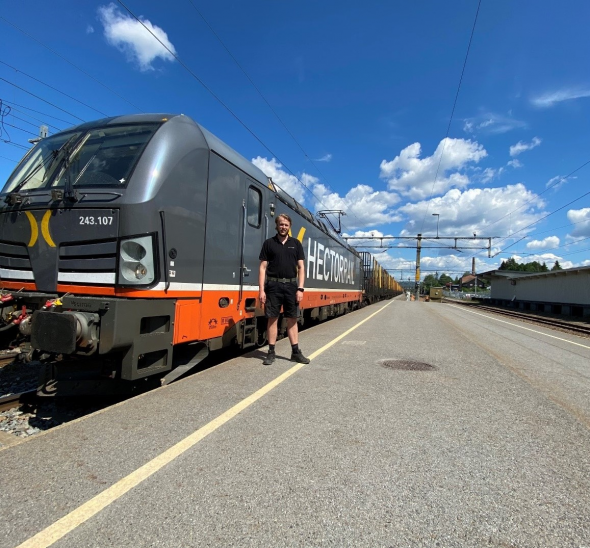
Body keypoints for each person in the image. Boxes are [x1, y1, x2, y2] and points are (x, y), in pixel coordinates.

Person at [258, 213, 310, 365]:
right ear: (277, 225)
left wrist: (300, 289)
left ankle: (295, 352)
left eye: (286, 225)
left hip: (291, 286)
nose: (283, 227)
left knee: (292, 319)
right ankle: (271, 352)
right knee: (272, 319)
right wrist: (261, 290)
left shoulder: (296, 244)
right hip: (273, 286)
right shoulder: (269, 243)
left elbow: (301, 267)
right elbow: (262, 268)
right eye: (281, 224)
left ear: (289, 226)